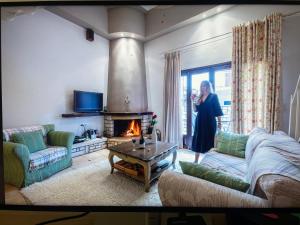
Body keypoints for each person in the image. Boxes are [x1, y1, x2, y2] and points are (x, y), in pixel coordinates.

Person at [191, 80, 223, 163]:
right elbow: (195, 110)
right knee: (198, 140)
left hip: (210, 122)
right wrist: (193, 101)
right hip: (200, 122)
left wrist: (219, 123)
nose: (203, 87)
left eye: (204, 85)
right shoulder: (199, 97)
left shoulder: (213, 96)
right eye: (201, 86)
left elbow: (218, 110)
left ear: (208, 87)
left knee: (210, 141)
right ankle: (196, 160)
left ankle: (210, 161)